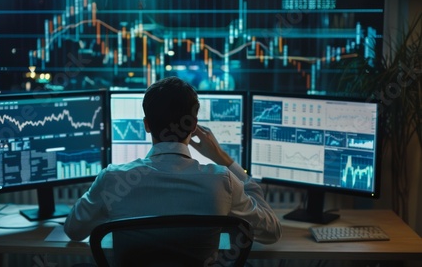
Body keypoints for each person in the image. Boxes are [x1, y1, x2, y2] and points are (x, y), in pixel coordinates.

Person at [64, 76, 282, 245]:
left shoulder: (113, 179)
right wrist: (223, 159)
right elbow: (271, 232)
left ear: (147, 125)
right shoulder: (222, 181)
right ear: (193, 125)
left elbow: (73, 230)